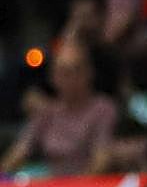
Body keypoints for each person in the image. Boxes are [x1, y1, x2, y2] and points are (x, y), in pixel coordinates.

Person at [0, 41, 117, 177]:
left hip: (89, 186)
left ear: (89, 72)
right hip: (53, 184)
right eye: (62, 72)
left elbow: (102, 159)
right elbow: (20, 151)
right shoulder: (47, 111)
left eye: (75, 71)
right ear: (53, 77)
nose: (69, 79)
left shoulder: (103, 109)